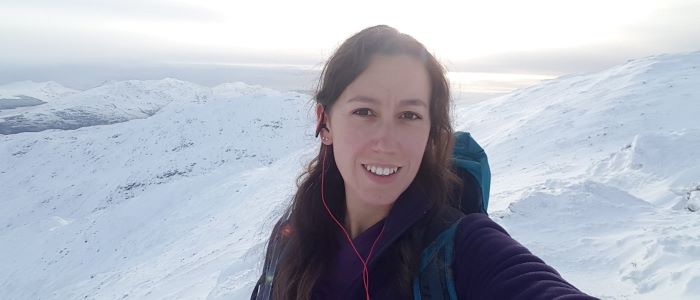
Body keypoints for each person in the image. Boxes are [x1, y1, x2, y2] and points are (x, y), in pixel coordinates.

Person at [251, 25, 597, 300]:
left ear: (431, 131)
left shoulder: (465, 250)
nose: (386, 141)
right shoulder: (294, 233)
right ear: (324, 122)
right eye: (364, 112)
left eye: (409, 115)